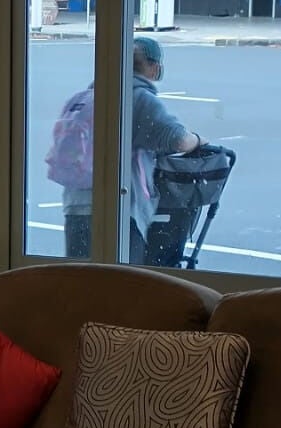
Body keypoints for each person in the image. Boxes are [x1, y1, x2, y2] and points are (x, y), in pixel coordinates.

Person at [59, 37, 203, 264]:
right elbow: (177, 139)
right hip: (119, 209)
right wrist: (197, 140)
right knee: (123, 287)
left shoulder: (82, 99)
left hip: (75, 205)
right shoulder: (137, 98)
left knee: (80, 285)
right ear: (154, 68)